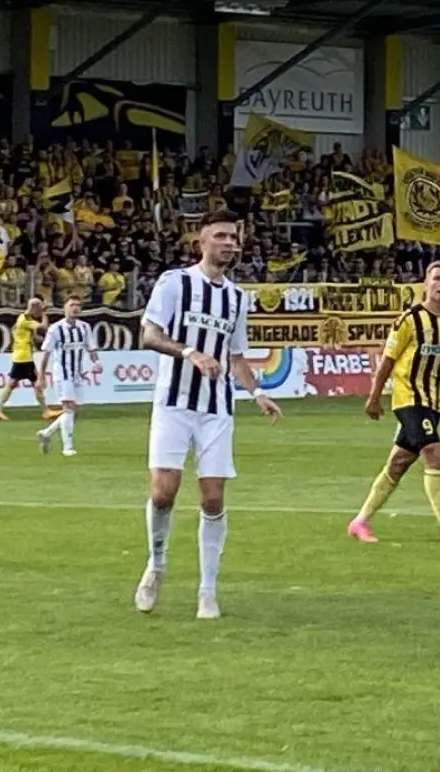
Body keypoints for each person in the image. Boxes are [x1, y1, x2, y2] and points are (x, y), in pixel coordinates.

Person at [133, 210, 282, 621]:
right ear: (201, 241)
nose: (229, 243)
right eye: (221, 236)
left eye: (234, 237)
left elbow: (236, 356)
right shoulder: (174, 283)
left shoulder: (236, 298)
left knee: (213, 497)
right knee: (163, 493)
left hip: (216, 409)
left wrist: (257, 393)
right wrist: (190, 352)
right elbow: (149, 335)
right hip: (173, 403)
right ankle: (156, 566)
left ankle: (208, 591)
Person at [349, 260, 440, 545]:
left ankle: (360, 521)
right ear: (426, 283)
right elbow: (387, 361)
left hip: (432, 401)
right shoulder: (409, 320)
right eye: (437, 279)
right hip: (408, 397)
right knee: (434, 454)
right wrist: (374, 397)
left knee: (398, 463)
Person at [35, 295, 99, 457]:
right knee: (68, 408)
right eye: (72, 305)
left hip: (77, 373)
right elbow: (46, 353)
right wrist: (41, 376)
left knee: (73, 410)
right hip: (62, 373)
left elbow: (91, 349)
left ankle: (46, 433)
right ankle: (67, 447)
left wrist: (96, 361)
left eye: (78, 305)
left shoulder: (84, 327)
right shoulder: (56, 329)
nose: (75, 308)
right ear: (65, 308)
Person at [0, 296, 54, 421]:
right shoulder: (24, 320)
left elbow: (34, 336)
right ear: (34, 308)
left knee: (14, 383)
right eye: (39, 309)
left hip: (22, 355)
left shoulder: (24, 319)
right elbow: (44, 327)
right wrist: (45, 313)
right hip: (24, 357)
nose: (39, 312)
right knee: (35, 382)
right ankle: (45, 411)